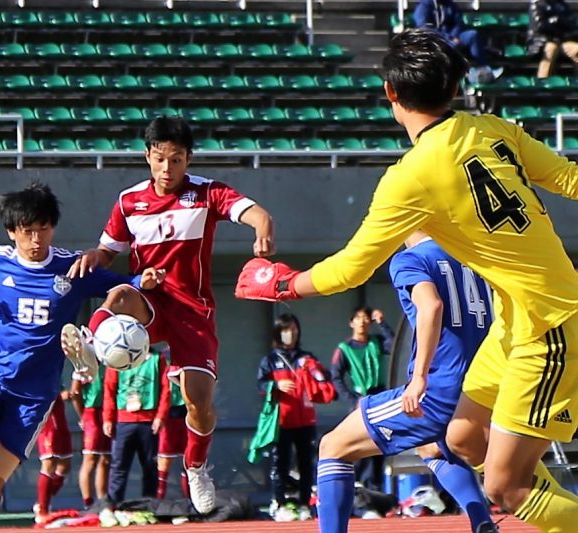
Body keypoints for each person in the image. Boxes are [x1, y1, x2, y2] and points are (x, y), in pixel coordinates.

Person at [235, 28, 578, 533]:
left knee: (505, 487)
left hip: (549, 325)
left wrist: (281, 283)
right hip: (514, 322)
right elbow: (570, 178)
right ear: (456, 87)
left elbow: (351, 269)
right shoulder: (494, 129)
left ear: (392, 94)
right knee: (460, 439)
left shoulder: (409, 176)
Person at [0, 182, 162, 533]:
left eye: (42, 229)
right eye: (27, 231)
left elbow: (124, 284)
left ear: (53, 228)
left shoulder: (73, 268)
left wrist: (144, 279)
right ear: (11, 232)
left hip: (34, 393)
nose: (36, 239)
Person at [61, 115, 275, 514]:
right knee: (121, 291)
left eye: (176, 160)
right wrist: (94, 255)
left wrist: (262, 227)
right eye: (159, 159)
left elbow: (254, 212)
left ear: (188, 159)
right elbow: (108, 252)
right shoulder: (129, 201)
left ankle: (195, 466)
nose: (167, 168)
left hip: (193, 312)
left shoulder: (207, 193)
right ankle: (88, 347)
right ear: (147, 156)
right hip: (151, 300)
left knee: (199, 404)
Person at [315, 232, 496, 533]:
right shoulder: (472, 258)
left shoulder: (410, 259)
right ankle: (483, 524)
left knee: (332, 446)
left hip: (438, 390)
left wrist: (421, 376)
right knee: (431, 448)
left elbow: (431, 306)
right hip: (477, 388)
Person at [256, 313, 337, 522]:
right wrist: (276, 385)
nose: (290, 334)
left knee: (306, 464)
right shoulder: (270, 360)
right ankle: (279, 503)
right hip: (281, 422)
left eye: (293, 329)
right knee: (279, 463)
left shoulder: (306, 357)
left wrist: (315, 371)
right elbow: (260, 385)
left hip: (306, 421)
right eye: (285, 330)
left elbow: (325, 377)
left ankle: (304, 504)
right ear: (278, 333)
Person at [330, 306, 394, 491]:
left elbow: (395, 344)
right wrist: (351, 399)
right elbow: (336, 377)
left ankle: (376, 490)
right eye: (358, 318)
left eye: (366, 318)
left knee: (379, 446)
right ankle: (357, 490)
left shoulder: (377, 342)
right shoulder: (344, 349)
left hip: (379, 397)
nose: (362, 321)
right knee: (359, 447)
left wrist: (382, 323)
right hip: (360, 399)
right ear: (351, 322)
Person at [102, 347, 170, 518]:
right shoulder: (116, 358)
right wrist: (108, 418)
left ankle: (149, 506)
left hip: (149, 422)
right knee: (118, 466)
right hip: (123, 421)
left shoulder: (157, 358)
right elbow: (109, 389)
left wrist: (160, 416)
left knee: (149, 467)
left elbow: (165, 389)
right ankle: (113, 506)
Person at [413, 0, 502, 83]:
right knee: (451, 47)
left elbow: (458, 23)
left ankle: (484, 69)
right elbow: (425, 29)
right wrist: (447, 38)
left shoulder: (450, 4)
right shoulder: (423, 5)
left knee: (472, 35)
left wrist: (454, 36)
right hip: (436, 41)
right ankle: (470, 75)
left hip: (454, 37)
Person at [71, 367, 112, 510]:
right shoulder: (84, 365)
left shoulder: (111, 362)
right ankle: (87, 503)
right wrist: (82, 415)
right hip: (92, 413)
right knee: (90, 459)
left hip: (109, 412)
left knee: (106, 459)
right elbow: (74, 393)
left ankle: (102, 501)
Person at [34, 391, 73, 525]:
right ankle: (42, 510)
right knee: (49, 464)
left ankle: (42, 501)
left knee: (65, 465)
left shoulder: (55, 372)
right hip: (48, 423)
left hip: (60, 419)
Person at [156, 353, 190, 500]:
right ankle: (159, 500)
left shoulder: (191, 356)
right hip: (168, 415)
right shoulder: (161, 359)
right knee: (164, 460)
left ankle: (191, 502)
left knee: (189, 461)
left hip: (187, 414)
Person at [527, 0, 578, 78]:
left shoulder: (562, 5)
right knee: (551, 49)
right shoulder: (537, 3)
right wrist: (555, 20)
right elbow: (540, 26)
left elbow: (570, 25)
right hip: (542, 41)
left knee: (575, 49)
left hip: (562, 40)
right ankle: (542, 80)